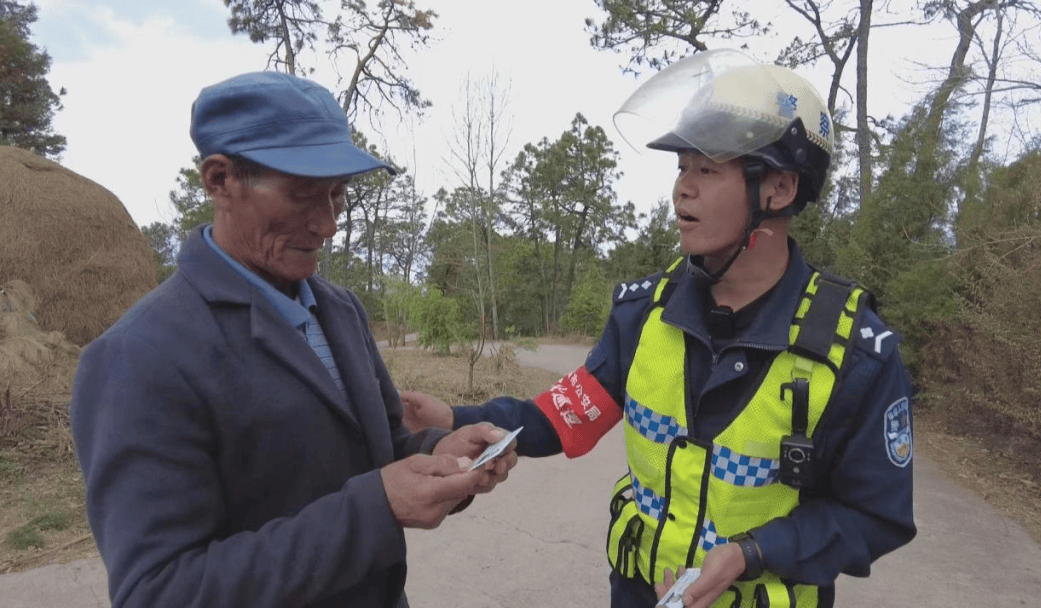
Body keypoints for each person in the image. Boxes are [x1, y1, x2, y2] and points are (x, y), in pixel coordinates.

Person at [402, 49, 916, 608]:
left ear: (780, 190)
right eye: (681, 168)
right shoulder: (645, 312)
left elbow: (874, 515)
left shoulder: (853, 352)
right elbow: (566, 414)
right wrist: (461, 419)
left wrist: (754, 551)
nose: (682, 190)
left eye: (708, 169)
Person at [70, 71, 517, 608]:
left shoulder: (339, 309)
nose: (327, 225)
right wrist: (374, 509)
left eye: (338, 194)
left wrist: (439, 454)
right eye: (304, 195)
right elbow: (160, 591)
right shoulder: (139, 358)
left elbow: (377, 451)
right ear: (219, 180)